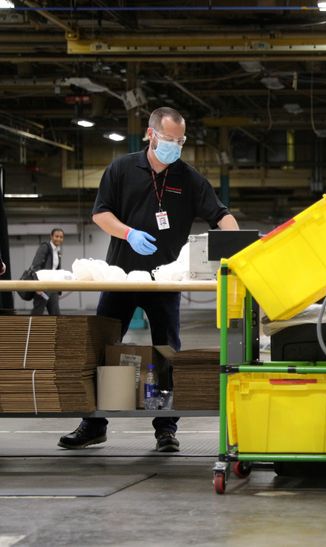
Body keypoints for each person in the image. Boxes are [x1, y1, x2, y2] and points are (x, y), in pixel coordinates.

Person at [58, 106, 239, 453]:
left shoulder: (187, 177)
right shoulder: (122, 168)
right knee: (103, 349)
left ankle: (166, 429)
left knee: (166, 354)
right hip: (121, 277)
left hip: (165, 281)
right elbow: (100, 213)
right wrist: (128, 234)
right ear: (151, 134)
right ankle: (93, 424)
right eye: (169, 139)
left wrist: (240, 244)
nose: (175, 146)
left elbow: (220, 214)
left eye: (181, 140)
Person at [30, 228, 64, 315]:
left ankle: (57, 329)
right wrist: (37, 285)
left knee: (56, 314)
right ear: (51, 236)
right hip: (42, 286)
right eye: (56, 236)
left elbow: (56, 270)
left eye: (61, 237)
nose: (59, 239)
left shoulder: (58, 251)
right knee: (37, 313)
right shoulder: (45, 247)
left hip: (53, 287)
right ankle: (31, 328)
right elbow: (35, 265)